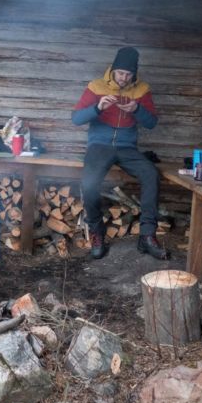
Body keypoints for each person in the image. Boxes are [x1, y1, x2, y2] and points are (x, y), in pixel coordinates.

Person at [72, 46, 170, 261]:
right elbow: (76, 119)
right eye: (120, 73)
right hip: (99, 145)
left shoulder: (142, 90)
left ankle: (147, 236)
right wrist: (98, 107)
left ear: (134, 74)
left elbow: (152, 123)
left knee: (150, 174)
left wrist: (137, 110)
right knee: (89, 184)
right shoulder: (96, 86)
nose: (124, 78)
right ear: (113, 70)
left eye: (128, 74)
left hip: (127, 148)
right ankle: (97, 234)